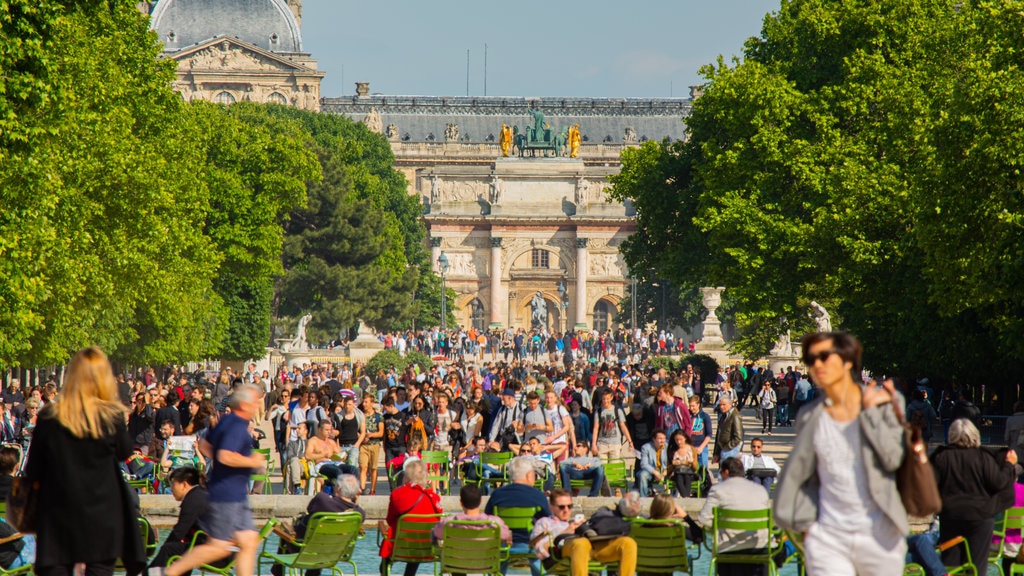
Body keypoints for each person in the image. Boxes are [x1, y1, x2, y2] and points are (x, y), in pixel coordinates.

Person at [773, 331, 907, 576]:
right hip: (828, 537)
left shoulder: (883, 403)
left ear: (847, 362)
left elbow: (893, 458)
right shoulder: (811, 415)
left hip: (879, 535)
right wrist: (801, 525)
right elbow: (795, 475)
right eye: (811, 359)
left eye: (824, 357)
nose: (817, 365)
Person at [25, 346, 146, 576]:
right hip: (102, 513)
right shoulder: (111, 416)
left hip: (59, 512)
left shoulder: (50, 416)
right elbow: (124, 451)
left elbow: (34, 469)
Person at [166, 385, 267, 576]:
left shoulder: (226, 420)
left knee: (249, 540)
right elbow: (225, 455)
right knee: (219, 546)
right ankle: (170, 572)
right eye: (255, 402)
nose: (257, 406)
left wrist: (223, 465)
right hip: (226, 495)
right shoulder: (236, 425)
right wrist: (251, 460)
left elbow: (203, 445)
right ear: (244, 404)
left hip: (234, 494)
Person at [931, 418, 1016, 568]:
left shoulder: (941, 457)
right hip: (980, 515)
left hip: (950, 515)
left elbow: (931, 484)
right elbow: (999, 482)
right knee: (976, 564)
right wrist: (1009, 465)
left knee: (951, 564)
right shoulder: (983, 458)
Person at [271, 474, 365, 576]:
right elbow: (354, 507)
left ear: (338, 488)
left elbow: (309, 509)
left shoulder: (322, 500)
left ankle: (277, 570)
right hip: (333, 553)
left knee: (286, 532)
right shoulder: (358, 514)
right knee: (321, 542)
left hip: (304, 550)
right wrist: (355, 499)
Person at [530, 489, 639, 576]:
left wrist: (587, 527)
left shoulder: (574, 521)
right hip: (563, 552)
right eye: (561, 507)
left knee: (628, 543)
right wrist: (566, 532)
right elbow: (540, 550)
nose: (566, 510)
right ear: (551, 507)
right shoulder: (544, 522)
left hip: (592, 549)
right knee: (581, 543)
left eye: (569, 506)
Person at [698, 458, 771, 576]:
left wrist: (721, 525)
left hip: (729, 548)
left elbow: (704, 518)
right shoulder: (760, 490)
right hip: (758, 547)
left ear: (726, 472)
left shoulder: (718, 490)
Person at [484, 456, 551, 576]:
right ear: (529, 475)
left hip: (503, 545)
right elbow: (548, 521)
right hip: (530, 544)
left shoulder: (497, 494)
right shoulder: (537, 495)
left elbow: (488, 519)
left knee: (499, 556)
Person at [378, 460, 443, 576]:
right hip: (424, 548)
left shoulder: (397, 494)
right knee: (418, 536)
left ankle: (385, 571)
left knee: (390, 543)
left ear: (406, 477)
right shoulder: (434, 498)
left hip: (399, 546)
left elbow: (389, 520)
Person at [150, 467, 211, 573]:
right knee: (180, 550)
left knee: (169, 549)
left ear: (184, 484)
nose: (171, 489)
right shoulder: (200, 494)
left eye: (173, 484)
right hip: (215, 548)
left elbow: (179, 531)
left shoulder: (192, 499)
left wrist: (166, 546)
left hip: (212, 550)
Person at [430, 485, 511, 545]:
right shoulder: (495, 523)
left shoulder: (449, 523)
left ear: (461, 503)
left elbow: (435, 533)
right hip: (485, 565)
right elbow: (507, 535)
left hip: (456, 565)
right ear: (481, 501)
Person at [636, 429, 669, 497]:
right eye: (660, 438)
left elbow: (672, 463)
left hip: (665, 471)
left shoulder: (668, 446)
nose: (662, 440)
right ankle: (644, 498)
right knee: (642, 475)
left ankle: (674, 497)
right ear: (653, 439)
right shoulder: (645, 447)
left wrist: (664, 473)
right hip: (651, 470)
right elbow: (644, 464)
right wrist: (655, 472)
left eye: (664, 438)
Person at [713, 396, 743, 467]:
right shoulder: (723, 416)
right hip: (722, 449)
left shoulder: (735, 416)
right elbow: (719, 435)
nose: (721, 407)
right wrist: (716, 453)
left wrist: (727, 448)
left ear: (730, 404)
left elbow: (738, 437)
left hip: (730, 450)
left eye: (724, 405)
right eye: (720, 405)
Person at [668, 430, 700, 497]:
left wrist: (690, 463)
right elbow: (669, 466)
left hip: (689, 472)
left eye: (681, 440)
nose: (679, 442)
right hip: (676, 473)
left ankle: (685, 497)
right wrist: (674, 464)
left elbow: (695, 466)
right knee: (679, 477)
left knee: (687, 477)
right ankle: (686, 497)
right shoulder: (672, 449)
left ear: (685, 438)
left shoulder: (691, 449)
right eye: (676, 440)